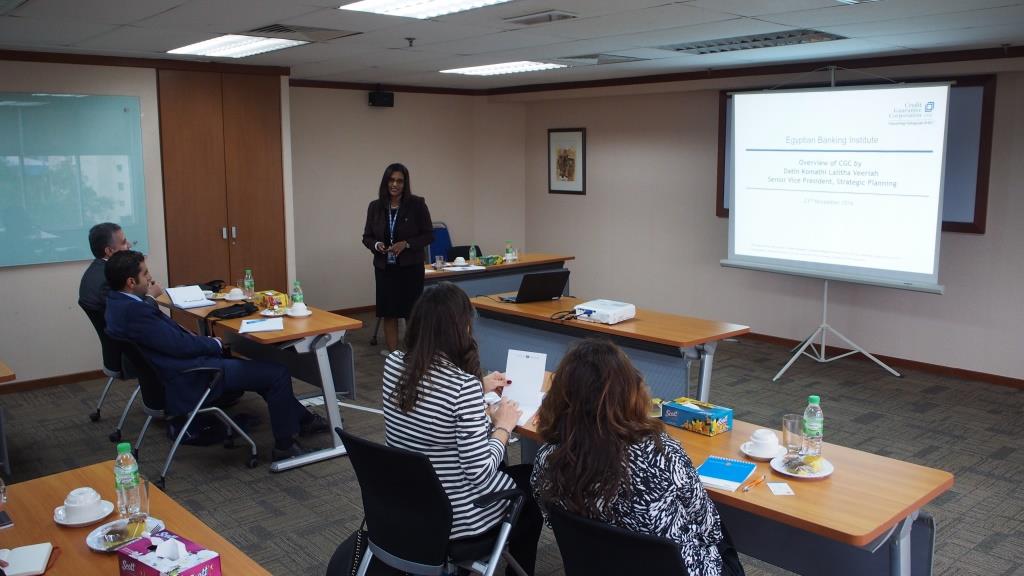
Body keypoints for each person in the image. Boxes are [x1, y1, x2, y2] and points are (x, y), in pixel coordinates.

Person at [530, 339, 745, 576]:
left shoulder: (547, 458)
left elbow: (551, 519)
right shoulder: (662, 455)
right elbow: (710, 528)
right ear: (631, 392)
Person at [103, 250, 328, 462]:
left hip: (172, 372)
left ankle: (304, 420)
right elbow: (179, 346)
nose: (150, 278)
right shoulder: (136, 312)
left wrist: (210, 343)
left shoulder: (117, 304)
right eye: (145, 274)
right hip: (192, 374)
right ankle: (286, 448)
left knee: (260, 371)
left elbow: (166, 340)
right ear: (131, 282)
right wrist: (214, 343)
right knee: (276, 374)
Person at [381, 282, 542, 575]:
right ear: (460, 328)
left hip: (410, 501)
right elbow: (481, 473)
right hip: (457, 517)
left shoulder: (394, 364)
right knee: (533, 481)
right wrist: (503, 427)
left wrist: (479, 389)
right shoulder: (461, 387)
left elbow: (427, 403)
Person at [362, 163, 434, 353]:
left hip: (410, 268)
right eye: (391, 180)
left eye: (400, 181)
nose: (395, 184)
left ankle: (414, 356)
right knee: (389, 313)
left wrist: (407, 244)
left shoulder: (417, 204)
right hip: (385, 268)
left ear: (405, 183)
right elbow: (367, 237)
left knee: (412, 314)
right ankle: (393, 356)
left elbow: (428, 235)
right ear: (385, 182)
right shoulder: (375, 207)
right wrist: (377, 245)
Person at [79, 222, 161, 312]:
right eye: (124, 242)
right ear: (109, 251)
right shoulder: (108, 279)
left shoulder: (96, 269)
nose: (129, 245)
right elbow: (133, 313)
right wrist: (151, 296)